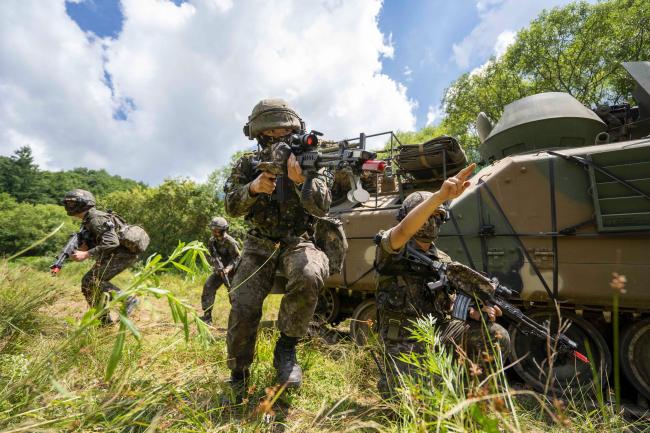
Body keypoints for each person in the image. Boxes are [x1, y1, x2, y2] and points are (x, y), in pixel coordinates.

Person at [223, 98, 331, 393]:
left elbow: (322, 208)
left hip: (299, 241)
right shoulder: (247, 164)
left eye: (285, 133)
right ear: (260, 136)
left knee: (309, 275)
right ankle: (238, 371)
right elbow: (231, 205)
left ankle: (286, 348)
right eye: (271, 135)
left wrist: (300, 181)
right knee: (243, 304)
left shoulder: (311, 159)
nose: (279, 139)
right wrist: (253, 188)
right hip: (259, 244)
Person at [374, 164, 510, 394]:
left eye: (437, 216)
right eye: (427, 215)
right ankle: (393, 381)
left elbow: (451, 296)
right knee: (415, 401)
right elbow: (405, 231)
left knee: (496, 335)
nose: (431, 221)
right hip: (404, 340)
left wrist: (472, 312)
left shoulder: (442, 258)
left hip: (440, 331)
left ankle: (469, 393)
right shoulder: (392, 248)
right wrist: (439, 198)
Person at [61, 189, 139, 324]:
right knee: (88, 284)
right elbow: (99, 240)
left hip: (121, 254)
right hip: (114, 253)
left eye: (73, 203)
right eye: (67, 203)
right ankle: (103, 322)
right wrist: (83, 248)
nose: (69, 206)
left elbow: (111, 242)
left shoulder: (95, 218)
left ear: (85, 203)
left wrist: (86, 254)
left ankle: (127, 300)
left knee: (91, 281)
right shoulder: (88, 219)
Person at [200, 217, 240, 324]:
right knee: (208, 286)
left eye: (217, 230)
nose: (214, 232)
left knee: (234, 294)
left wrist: (227, 269)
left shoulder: (230, 242)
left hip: (231, 273)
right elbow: (209, 256)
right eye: (213, 229)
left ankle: (238, 319)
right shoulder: (211, 241)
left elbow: (237, 258)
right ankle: (207, 317)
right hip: (218, 272)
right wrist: (215, 265)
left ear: (223, 230)